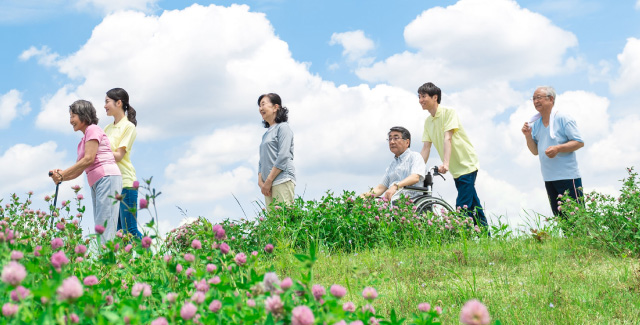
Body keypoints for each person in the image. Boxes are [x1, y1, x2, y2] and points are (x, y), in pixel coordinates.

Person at [50, 100, 122, 241]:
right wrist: (61, 177)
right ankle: (107, 260)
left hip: (107, 177)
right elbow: (79, 169)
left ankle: (107, 262)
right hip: (98, 181)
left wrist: (63, 174)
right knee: (101, 225)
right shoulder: (83, 140)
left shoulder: (93, 129)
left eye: (73, 116)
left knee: (105, 226)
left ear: (83, 115)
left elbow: (89, 159)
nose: (71, 121)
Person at [418, 82, 488, 228]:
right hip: (456, 169)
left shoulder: (449, 112)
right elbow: (426, 148)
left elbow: (447, 138)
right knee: (473, 203)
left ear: (435, 97)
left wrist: (446, 163)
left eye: (423, 96)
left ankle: (461, 235)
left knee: (462, 205)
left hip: (466, 163)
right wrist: (417, 170)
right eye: (419, 97)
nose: (420, 100)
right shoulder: (427, 122)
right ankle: (485, 236)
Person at [521, 86, 584, 216]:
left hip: (568, 176)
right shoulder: (536, 124)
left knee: (578, 219)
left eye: (539, 97)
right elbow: (535, 151)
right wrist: (527, 135)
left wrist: (558, 148)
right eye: (533, 99)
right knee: (561, 218)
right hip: (549, 178)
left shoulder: (563, 118)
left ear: (551, 99)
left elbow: (579, 142)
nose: (535, 101)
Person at [104, 88, 143, 239]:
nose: (104, 106)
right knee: (119, 233)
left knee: (130, 229)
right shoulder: (107, 128)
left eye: (107, 102)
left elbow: (119, 155)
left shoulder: (128, 127)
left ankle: (154, 261)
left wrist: (98, 154)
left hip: (126, 182)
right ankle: (125, 263)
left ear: (118, 103)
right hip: (112, 183)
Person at [360, 126, 425, 202]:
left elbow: (415, 178)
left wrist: (396, 186)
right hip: (392, 200)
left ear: (407, 142)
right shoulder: (392, 165)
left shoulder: (415, 156)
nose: (392, 142)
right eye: (390, 139)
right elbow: (380, 188)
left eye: (396, 138)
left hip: (410, 200)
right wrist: (364, 196)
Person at [258, 93, 296, 210]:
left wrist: (268, 180)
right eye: (259, 106)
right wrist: (261, 182)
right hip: (267, 186)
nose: (260, 108)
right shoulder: (266, 134)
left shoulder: (283, 127)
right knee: (273, 225)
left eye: (263, 104)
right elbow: (262, 161)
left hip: (281, 180)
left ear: (275, 107)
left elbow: (283, 156)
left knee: (283, 221)